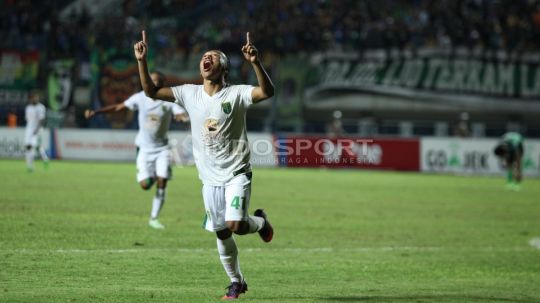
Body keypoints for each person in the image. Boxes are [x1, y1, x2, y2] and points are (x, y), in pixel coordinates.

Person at [134, 30, 274, 300]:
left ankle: (260, 222)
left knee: (234, 225)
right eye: (204, 57)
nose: (206, 59)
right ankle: (237, 282)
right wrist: (142, 60)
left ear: (224, 67)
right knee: (222, 232)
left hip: (236, 172)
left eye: (213, 57)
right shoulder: (189, 93)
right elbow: (150, 91)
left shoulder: (236, 94)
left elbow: (267, 92)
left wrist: (255, 63)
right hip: (209, 178)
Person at [85, 71, 188, 229]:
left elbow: (180, 113)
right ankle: (154, 175)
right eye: (152, 81)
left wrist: (183, 117)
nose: (155, 84)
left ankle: (154, 218)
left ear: (163, 84)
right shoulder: (140, 98)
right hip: (144, 148)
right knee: (145, 185)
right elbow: (119, 107)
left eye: (158, 81)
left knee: (163, 181)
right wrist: (97, 112)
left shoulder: (168, 102)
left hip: (162, 149)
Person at [24, 91, 49, 172]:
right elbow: (28, 120)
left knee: (31, 146)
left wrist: (36, 130)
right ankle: (42, 161)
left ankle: (31, 166)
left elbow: (42, 120)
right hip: (29, 129)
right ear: (30, 99)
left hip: (37, 129)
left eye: (35, 97)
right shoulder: (28, 108)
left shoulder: (41, 107)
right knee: (32, 147)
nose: (34, 99)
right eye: (32, 97)